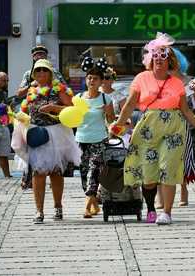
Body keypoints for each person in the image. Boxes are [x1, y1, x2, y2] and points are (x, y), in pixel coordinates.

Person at [109, 32, 195, 225]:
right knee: (148, 175)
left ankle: (167, 213)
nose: (159, 60)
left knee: (168, 169)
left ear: (170, 61)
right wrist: (118, 124)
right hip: (148, 127)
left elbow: (186, 111)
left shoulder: (177, 83)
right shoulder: (141, 78)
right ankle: (152, 208)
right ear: (150, 59)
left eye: (163, 57)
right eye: (155, 56)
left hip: (174, 128)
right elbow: (129, 105)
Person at [20, 59, 81, 224]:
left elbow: (73, 108)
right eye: (38, 71)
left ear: (50, 73)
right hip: (36, 133)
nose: (41, 73)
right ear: (33, 74)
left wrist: (53, 108)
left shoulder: (59, 89)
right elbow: (25, 110)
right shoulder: (31, 90)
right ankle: (39, 211)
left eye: (44, 70)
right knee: (38, 173)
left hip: (55, 134)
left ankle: (58, 207)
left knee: (55, 172)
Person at [17, 45, 66, 190]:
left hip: (52, 120)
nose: (39, 57)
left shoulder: (55, 73)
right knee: (31, 150)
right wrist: (30, 86)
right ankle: (29, 178)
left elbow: (64, 90)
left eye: (42, 54)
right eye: (37, 55)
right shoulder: (28, 74)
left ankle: (54, 177)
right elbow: (19, 93)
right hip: (32, 118)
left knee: (53, 152)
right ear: (33, 57)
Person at [76, 57, 115, 218]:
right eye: (89, 78)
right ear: (86, 80)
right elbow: (73, 118)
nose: (92, 80)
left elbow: (112, 121)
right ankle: (94, 204)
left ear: (100, 82)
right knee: (84, 173)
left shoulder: (106, 98)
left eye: (95, 78)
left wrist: (107, 111)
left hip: (99, 140)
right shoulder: (78, 98)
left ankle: (86, 207)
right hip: (80, 140)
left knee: (94, 171)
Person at [172, 47, 195, 206]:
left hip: (183, 124)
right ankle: (161, 195)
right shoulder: (164, 80)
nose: (173, 64)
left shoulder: (189, 81)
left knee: (183, 158)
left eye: (175, 61)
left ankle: (183, 189)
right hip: (165, 123)